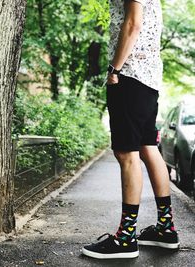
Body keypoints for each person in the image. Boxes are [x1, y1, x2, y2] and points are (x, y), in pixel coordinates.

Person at [82, 0, 180, 259]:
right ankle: (165, 229)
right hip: (149, 79)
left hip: (130, 76)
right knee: (148, 147)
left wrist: (114, 68)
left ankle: (126, 239)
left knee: (127, 154)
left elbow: (133, 23)